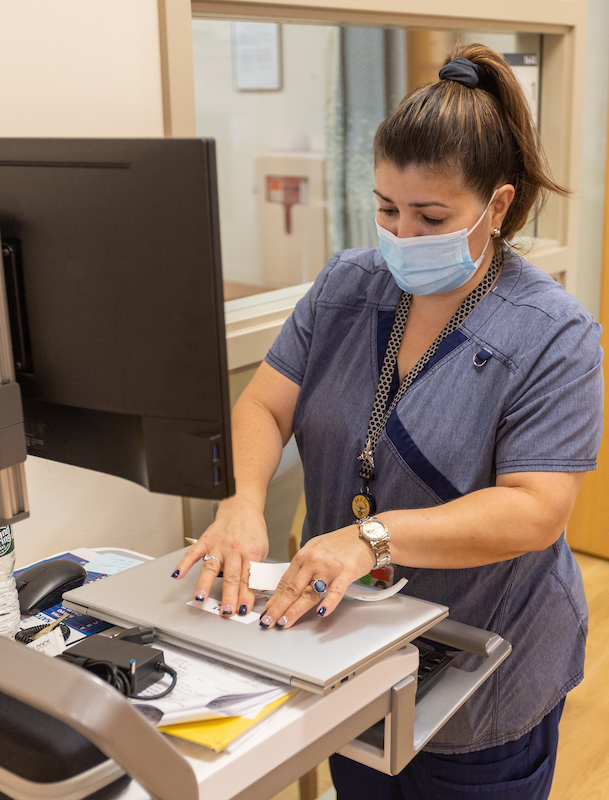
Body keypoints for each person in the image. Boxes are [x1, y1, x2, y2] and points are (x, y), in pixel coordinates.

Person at [173, 42, 603, 799]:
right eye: (385, 209)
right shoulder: (348, 286)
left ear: (496, 205)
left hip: (484, 661)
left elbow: (536, 510)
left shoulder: (552, 333)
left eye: (430, 215)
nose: (402, 234)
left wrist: (371, 537)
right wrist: (242, 500)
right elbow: (265, 402)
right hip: (347, 646)